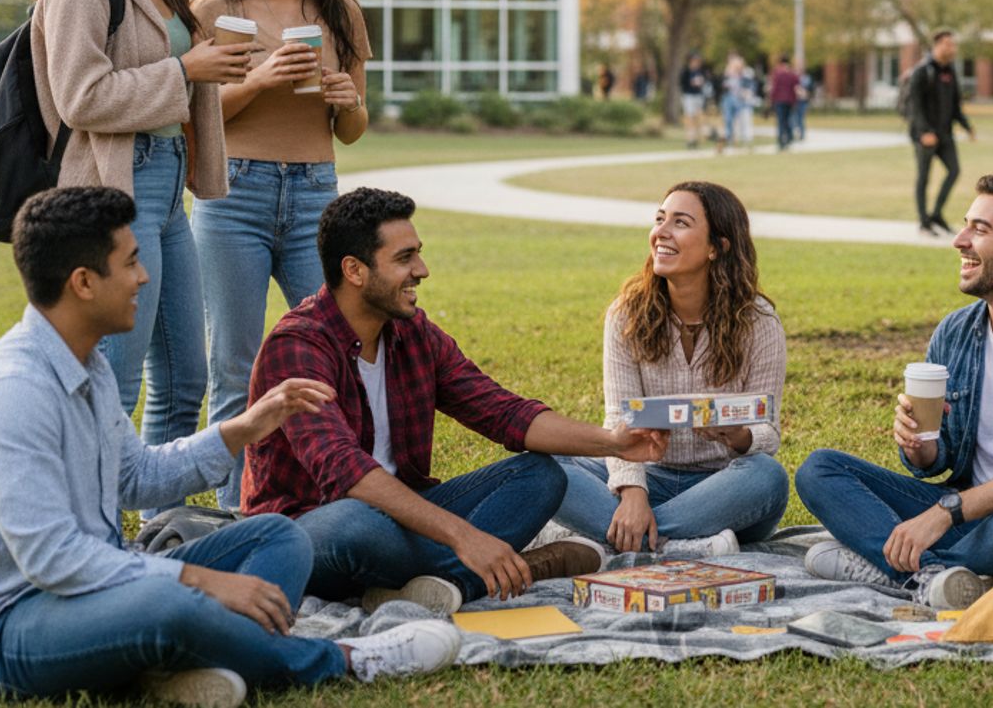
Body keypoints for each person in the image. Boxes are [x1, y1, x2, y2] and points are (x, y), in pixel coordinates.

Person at [0, 187, 460, 706]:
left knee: (279, 537)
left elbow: (137, 479)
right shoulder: (11, 393)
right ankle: (344, 659)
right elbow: (52, 558)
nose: (144, 276)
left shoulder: (88, 364)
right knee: (169, 600)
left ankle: (185, 662)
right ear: (84, 282)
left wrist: (248, 426)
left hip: (89, 592)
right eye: (131, 263)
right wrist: (200, 580)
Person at [242, 188, 669, 615]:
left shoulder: (413, 334)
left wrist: (613, 441)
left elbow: (504, 413)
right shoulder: (298, 347)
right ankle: (505, 570)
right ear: (354, 270)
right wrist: (465, 537)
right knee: (355, 522)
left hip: (406, 515)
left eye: (418, 254)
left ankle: (433, 584)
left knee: (542, 475)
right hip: (313, 525)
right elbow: (346, 472)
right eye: (404, 258)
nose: (422, 270)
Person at [795, 176, 993, 610]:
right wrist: (921, 446)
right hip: (968, 517)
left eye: (980, 230)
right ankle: (937, 577)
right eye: (966, 225)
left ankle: (891, 566)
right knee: (820, 469)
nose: (960, 241)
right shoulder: (955, 332)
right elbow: (939, 459)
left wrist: (942, 512)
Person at [30, 0, 249, 454]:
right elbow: (81, 96)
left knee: (186, 379)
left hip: (166, 182)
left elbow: (175, 77)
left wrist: (223, 62)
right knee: (115, 384)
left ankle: (160, 522)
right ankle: (89, 531)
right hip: (113, 190)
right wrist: (185, 67)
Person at [191, 0, 372, 511]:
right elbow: (199, 123)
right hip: (233, 193)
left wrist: (347, 99)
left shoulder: (340, 12)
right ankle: (230, 515)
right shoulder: (215, 12)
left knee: (341, 350)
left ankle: (346, 497)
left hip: (316, 196)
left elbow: (351, 130)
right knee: (235, 368)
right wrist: (262, 79)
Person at [554, 182, 790, 557]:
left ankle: (627, 538)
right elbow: (619, 419)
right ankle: (678, 545)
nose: (660, 233)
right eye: (660, 219)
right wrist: (633, 494)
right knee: (544, 467)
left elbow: (768, 432)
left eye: (680, 223)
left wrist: (739, 435)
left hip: (724, 486)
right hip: (650, 475)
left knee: (768, 477)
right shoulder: (626, 314)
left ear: (718, 246)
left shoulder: (758, 321)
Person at [906, 30, 976, 235]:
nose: (952, 48)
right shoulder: (922, 71)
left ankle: (936, 214)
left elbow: (955, 105)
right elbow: (915, 107)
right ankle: (923, 222)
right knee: (923, 177)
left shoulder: (950, 71)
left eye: (953, 45)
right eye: (948, 44)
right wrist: (924, 132)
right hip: (925, 135)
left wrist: (966, 126)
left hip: (945, 134)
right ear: (936, 45)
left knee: (954, 171)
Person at [717, 53, 758, 153]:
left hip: (740, 100)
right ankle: (729, 139)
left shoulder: (745, 75)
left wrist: (747, 92)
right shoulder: (727, 74)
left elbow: (751, 86)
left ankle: (743, 140)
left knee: (742, 120)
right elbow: (720, 86)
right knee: (728, 119)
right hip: (728, 99)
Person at [679, 53, 711, 150]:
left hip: (698, 96)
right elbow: (681, 83)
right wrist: (690, 84)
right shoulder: (686, 71)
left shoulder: (701, 72)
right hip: (689, 96)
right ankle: (690, 139)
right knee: (689, 118)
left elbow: (704, 82)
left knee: (698, 117)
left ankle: (697, 139)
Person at [769, 55, 802, 150]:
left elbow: (774, 88)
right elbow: (797, 88)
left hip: (779, 100)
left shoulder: (777, 74)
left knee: (780, 121)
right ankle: (788, 138)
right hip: (790, 100)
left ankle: (781, 141)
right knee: (788, 120)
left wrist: (771, 100)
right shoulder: (792, 74)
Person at [794, 67, 814, 140]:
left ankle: (802, 134)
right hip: (797, 101)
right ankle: (798, 134)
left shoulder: (807, 79)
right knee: (796, 118)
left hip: (803, 101)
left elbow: (810, 90)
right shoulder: (795, 78)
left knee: (801, 118)